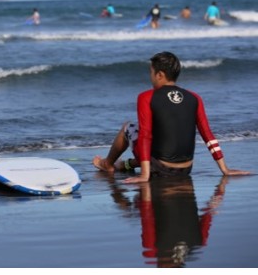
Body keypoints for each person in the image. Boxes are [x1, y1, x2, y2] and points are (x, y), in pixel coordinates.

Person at [93, 51, 249, 181]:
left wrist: (145, 175)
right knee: (160, 134)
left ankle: (108, 164)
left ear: (160, 75)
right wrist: (225, 169)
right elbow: (207, 134)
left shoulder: (146, 97)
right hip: (185, 169)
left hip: (160, 169)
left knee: (129, 127)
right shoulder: (194, 97)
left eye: (151, 73)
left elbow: (145, 135)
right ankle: (124, 165)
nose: (150, 77)